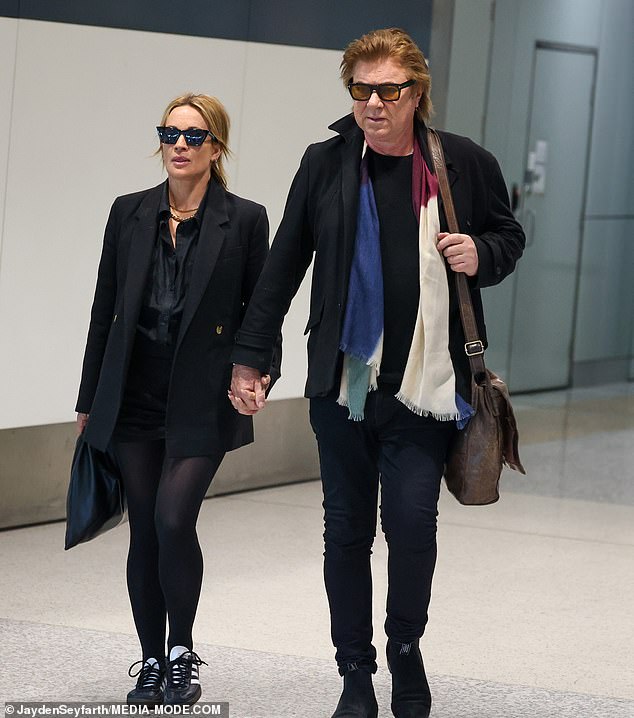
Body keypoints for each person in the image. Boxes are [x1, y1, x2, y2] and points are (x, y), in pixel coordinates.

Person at [229, 28, 525, 718]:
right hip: (344, 387)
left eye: (388, 90)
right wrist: (252, 356)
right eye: (360, 90)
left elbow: (509, 238)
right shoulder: (327, 163)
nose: (372, 104)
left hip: (425, 389)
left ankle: (404, 648)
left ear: (416, 92)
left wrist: (480, 253)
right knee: (345, 531)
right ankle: (354, 672)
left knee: (414, 526)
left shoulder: (462, 164)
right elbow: (282, 266)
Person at [75, 93, 278, 707]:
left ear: (217, 147)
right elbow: (104, 307)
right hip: (132, 393)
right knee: (144, 530)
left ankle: (183, 650)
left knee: (171, 517)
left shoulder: (243, 219)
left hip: (201, 398)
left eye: (194, 136)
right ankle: (151, 659)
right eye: (171, 134)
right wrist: (88, 398)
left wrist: (258, 373)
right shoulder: (128, 213)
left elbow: (260, 311)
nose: (180, 146)